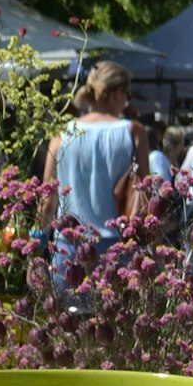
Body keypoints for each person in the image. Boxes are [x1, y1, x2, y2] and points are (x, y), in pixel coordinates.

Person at [41, 61, 149, 256]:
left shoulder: (62, 133)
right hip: (117, 247)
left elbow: (47, 200)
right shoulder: (133, 132)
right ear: (117, 93)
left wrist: (36, 247)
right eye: (127, 94)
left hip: (68, 246)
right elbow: (145, 193)